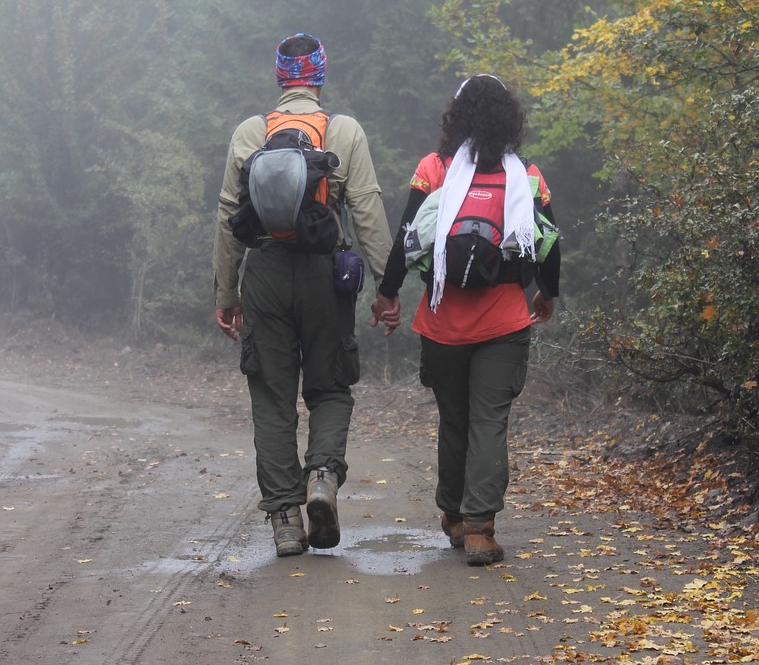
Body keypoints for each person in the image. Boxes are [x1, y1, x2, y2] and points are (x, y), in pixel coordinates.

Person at [214, 32, 398, 557]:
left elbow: (229, 218)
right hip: (325, 272)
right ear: (320, 75)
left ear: (280, 77)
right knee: (331, 385)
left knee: (272, 398)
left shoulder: (250, 132)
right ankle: (321, 477)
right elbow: (366, 210)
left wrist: (227, 293)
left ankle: (286, 521)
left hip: (265, 272)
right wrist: (386, 291)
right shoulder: (343, 130)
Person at [371, 73, 560, 566]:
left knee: (455, 420)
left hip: (441, 323)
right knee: (489, 423)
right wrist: (546, 294)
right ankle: (479, 529)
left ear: (455, 117)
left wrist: (387, 296)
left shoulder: (434, 169)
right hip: (504, 321)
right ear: (509, 120)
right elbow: (550, 243)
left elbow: (407, 237)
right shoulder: (528, 176)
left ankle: (454, 516)